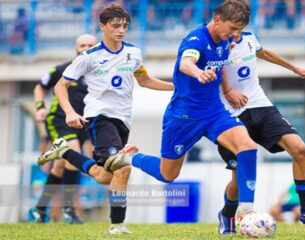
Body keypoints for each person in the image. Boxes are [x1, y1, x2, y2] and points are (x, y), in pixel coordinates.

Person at [105, 0, 259, 225]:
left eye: (240, 30)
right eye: (233, 29)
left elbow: (221, 63)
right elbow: (186, 63)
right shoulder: (195, 39)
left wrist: (227, 89)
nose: (236, 35)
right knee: (168, 175)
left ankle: (246, 213)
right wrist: (197, 72)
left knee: (247, 147)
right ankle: (130, 156)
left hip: (214, 112)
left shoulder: (226, 40)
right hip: (183, 116)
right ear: (217, 20)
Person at [38, 4, 174, 234]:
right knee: (123, 167)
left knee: (104, 176)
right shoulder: (89, 57)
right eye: (115, 26)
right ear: (103, 26)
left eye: (125, 26)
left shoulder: (134, 52)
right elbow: (60, 86)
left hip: (123, 119)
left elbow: (145, 80)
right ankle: (117, 225)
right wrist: (71, 112)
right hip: (100, 117)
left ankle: (64, 151)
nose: (121, 30)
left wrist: (175, 88)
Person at [215, 20, 305, 235]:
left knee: (299, 149)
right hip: (230, 114)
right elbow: (215, 68)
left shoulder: (249, 39)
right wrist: (229, 90)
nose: (236, 30)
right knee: (238, 178)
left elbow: (265, 53)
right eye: (233, 25)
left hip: (260, 105)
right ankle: (227, 214)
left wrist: (294, 68)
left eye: (240, 25)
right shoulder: (215, 44)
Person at [29, 34, 97, 224]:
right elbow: (39, 87)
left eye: (90, 45)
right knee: (74, 152)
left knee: (61, 165)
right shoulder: (62, 69)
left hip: (82, 125)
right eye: (82, 45)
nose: (86, 48)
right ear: (76, 48)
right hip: (59, 120)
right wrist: (40, 107)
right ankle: (69, 209)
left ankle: (40, 208)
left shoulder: (99, 72)